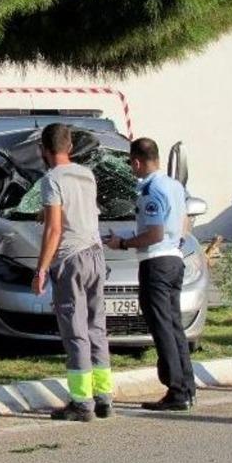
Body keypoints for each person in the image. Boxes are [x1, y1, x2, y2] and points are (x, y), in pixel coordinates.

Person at [105, 137, 196, 411]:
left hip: (156, 263)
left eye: (132, 165)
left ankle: (176, 389)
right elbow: (182, 224)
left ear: (136, 161)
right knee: (174, 325)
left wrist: (123, 243)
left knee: (161, 327)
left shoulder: (149, 191)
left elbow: (154, 233)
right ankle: (187, 387)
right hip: (175, 259)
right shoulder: (174, 186)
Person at [31, 124, 113, 422]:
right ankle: (103, 397)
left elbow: (54, 230)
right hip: (95, 254)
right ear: (70, 148)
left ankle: (81, 403)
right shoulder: (86, 175)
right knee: (96, 328)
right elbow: (79, 211)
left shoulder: (51, 179)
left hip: (70, 260)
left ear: (44, 149)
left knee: (75, 332)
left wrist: (41, 269)